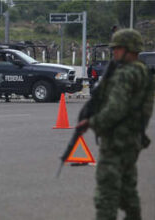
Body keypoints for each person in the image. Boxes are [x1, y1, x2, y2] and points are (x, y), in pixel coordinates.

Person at [76, 29, 154, 220]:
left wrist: (92, 122)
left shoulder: (125, 74)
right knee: (128, 190)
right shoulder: (143, 72)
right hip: (133, 139)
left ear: (129, 49)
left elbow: (115, 109)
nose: (114, 53)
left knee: (106, 194)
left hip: (116, 141)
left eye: (118, 48)